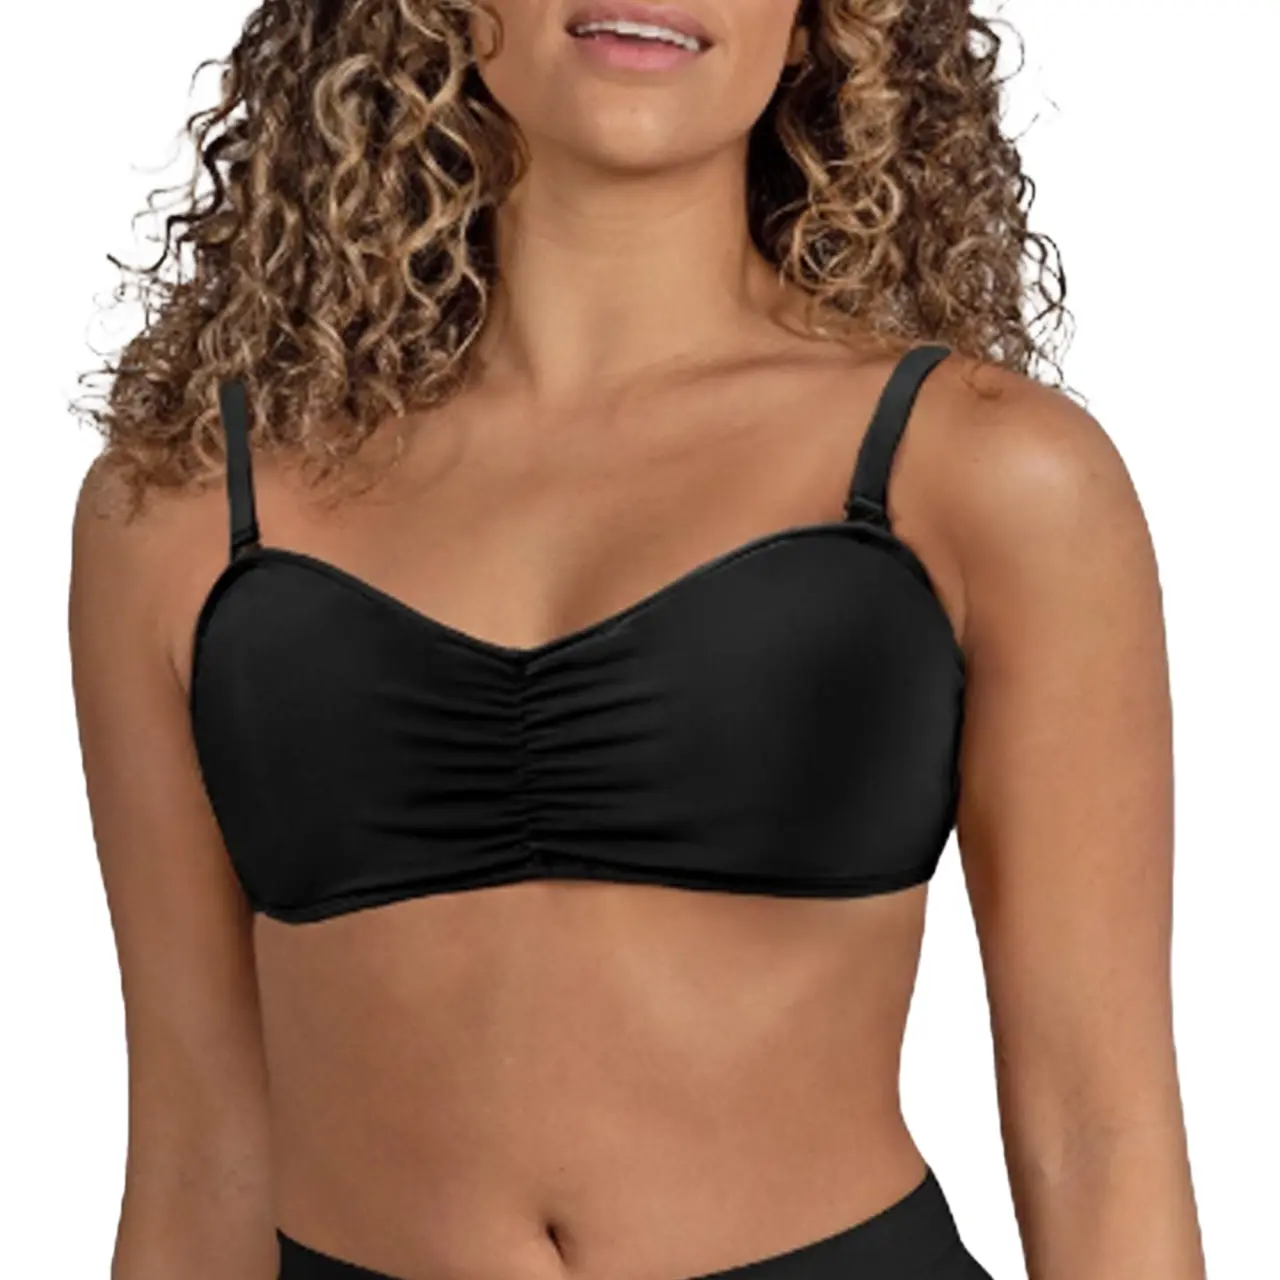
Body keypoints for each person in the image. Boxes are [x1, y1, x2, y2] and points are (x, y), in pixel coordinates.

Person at [70, 2, 1206, 1277]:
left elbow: (1094, 1131)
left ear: (818, 25)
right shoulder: (181, 505)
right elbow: (195, 1153)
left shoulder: (988, 474)